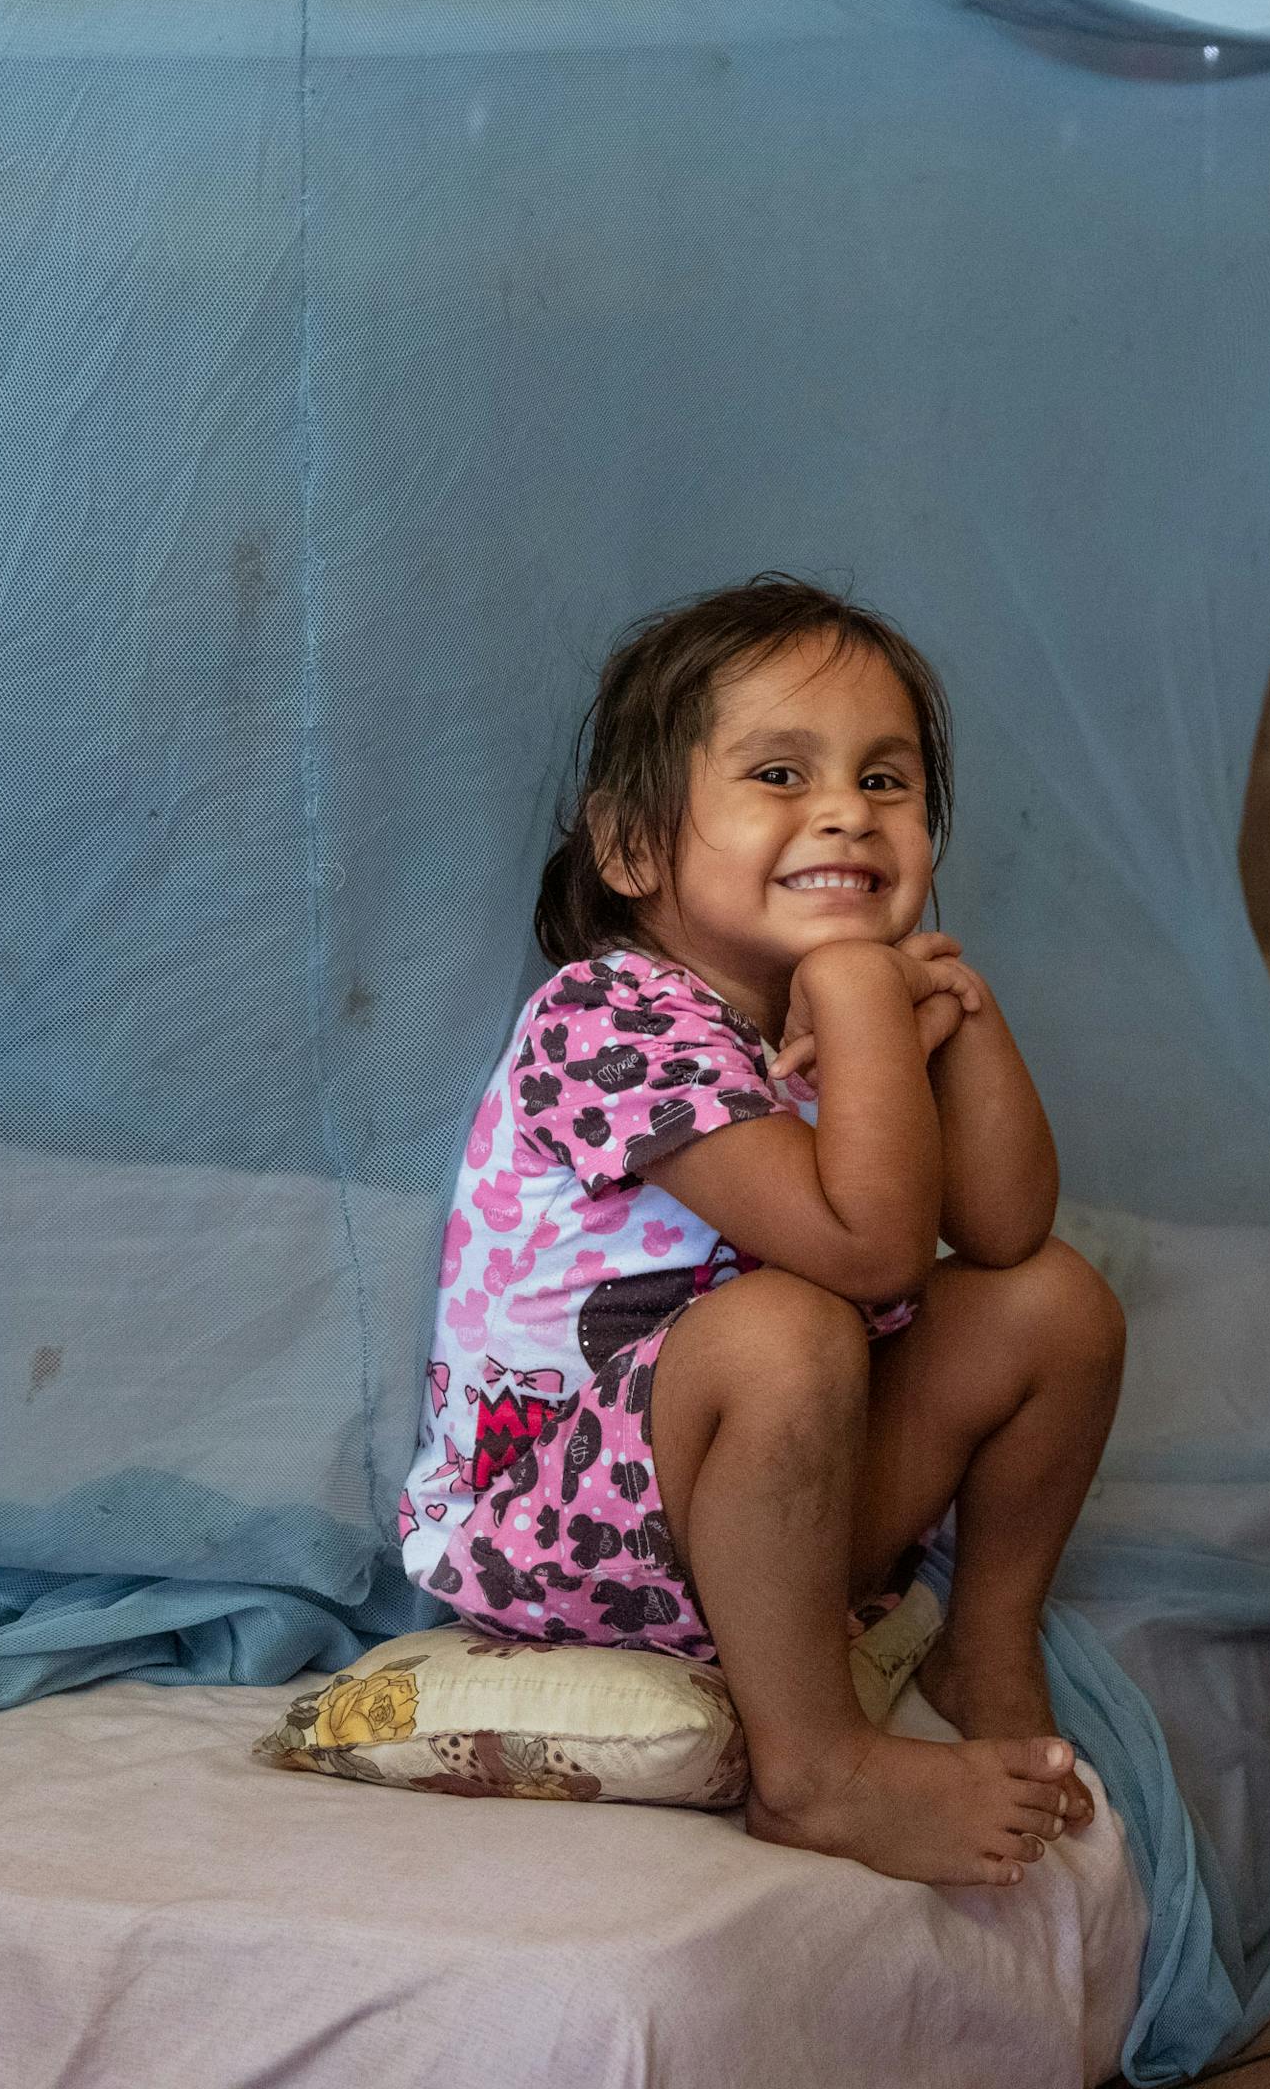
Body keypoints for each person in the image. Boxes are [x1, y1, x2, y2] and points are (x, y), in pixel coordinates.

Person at [394, 575, 1127, 1889]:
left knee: (1055, 1305)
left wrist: (965, 1011)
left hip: (783, 1520)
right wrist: (858, 989)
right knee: (788, 1324)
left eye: (887, 782)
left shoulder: (837, 1011)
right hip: (566, 1536)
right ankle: (815, 1768)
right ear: (633, 850)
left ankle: (987, 1644)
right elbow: (867, 1251)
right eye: (781, 773)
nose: (846, 809)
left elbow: (1007, 1230)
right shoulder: (605, 1017)